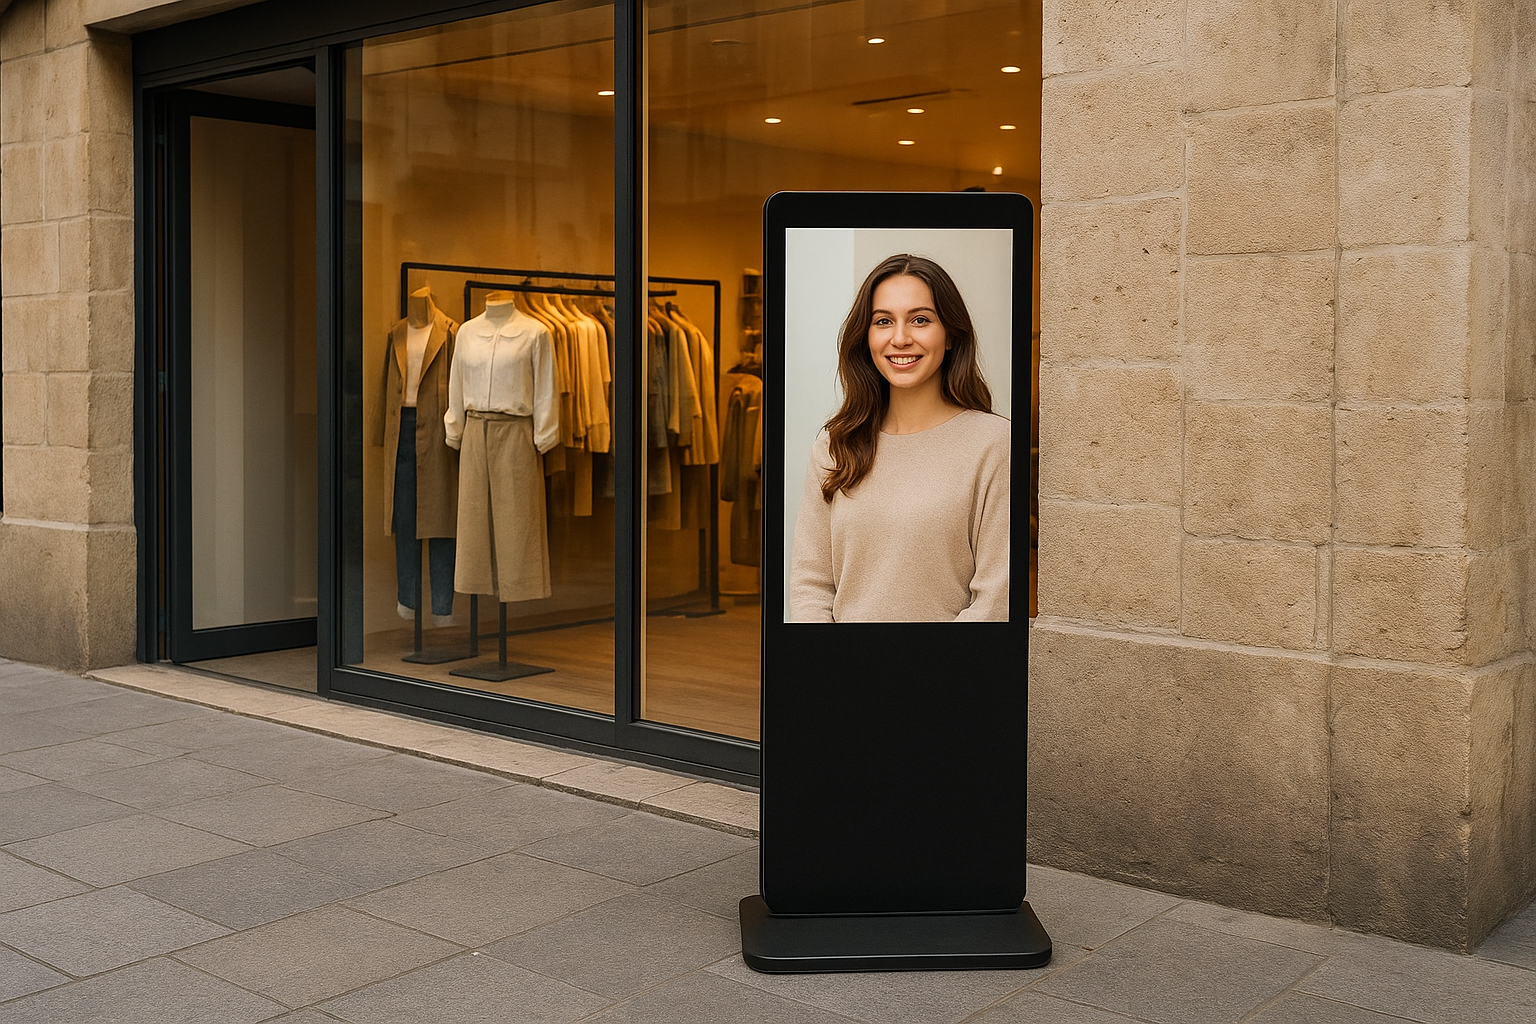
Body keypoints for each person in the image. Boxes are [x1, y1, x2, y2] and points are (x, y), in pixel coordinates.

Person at [788, 254, 1009, 622]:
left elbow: (996, 598)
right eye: (883, 321)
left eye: (920, 320)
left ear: (951, 333)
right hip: (844, 672)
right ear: (867, 336)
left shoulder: (995, 443)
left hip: (948, 673)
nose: (900, 338)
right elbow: (811, 584)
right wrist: (826, 668)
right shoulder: (835, 444)